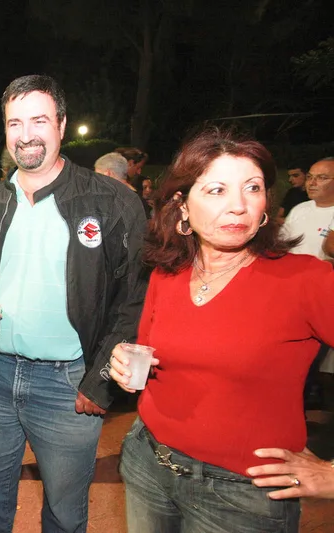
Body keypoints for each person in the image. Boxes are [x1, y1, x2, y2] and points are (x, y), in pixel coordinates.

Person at [109, 128, 334, 532]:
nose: (238, 206)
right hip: (148, 463)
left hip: (242, 495)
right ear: (182, 205)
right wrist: (123, 359)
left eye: (253, 188)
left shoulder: (306, 280)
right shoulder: (168, 272)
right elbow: (149, 350)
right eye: (217, 190)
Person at [0, 74, 148, 533]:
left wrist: (100, 381)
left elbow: (135, 299)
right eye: (15, 123)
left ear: (61, 124)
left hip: (68, 386)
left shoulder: (112, 201)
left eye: (39, 120)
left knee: (64, 513)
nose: (26, 135)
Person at [282, 157, 334, 259]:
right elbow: (281, 242)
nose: (311, 183)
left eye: (321, 178)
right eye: (309, 177)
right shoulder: (299, 209)